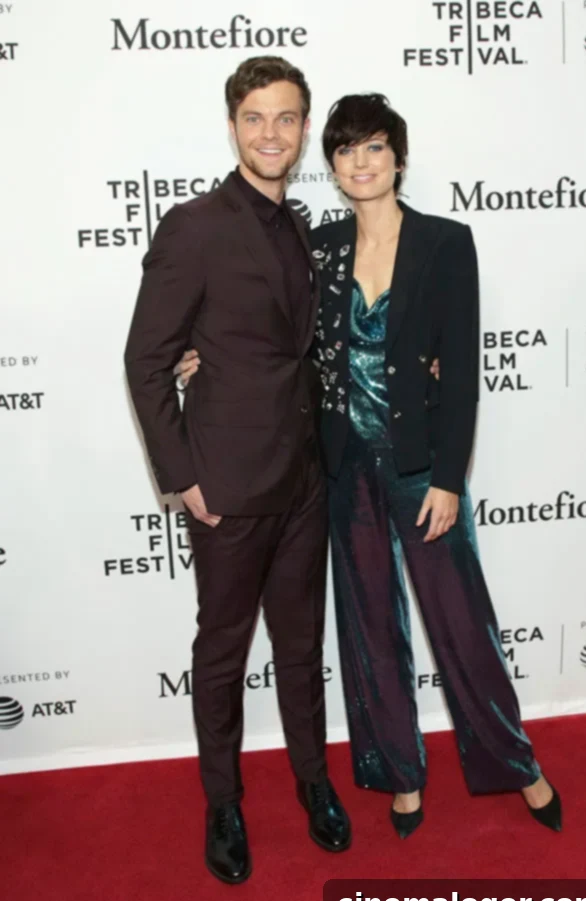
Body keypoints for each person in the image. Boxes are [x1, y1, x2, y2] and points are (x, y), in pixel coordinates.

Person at [175, 92, 562, 840]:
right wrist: (200, 353)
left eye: (374, 147)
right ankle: (400, 773)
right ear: (332, 165)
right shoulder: (316, 245)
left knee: (462, 625)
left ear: (399, 158)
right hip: (342, 469)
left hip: (420, 470)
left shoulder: (446, 243)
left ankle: (518, 764)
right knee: (370, 629)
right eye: (346, 150)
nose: (361, 162)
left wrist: (448, 477)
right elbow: (262, 321)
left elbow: (463, 369)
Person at [123, 57, 352, 886]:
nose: (271, 133)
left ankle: (313, 780)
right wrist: (184, 477)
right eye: (255, 117)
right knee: (222, 653)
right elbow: (145, 360)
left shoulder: (300, 227)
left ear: (304, 130)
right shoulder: (194, 226)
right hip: (225, 486)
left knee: (301, 646)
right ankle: (223, 802)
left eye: (286, 118)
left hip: (302, 482)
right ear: (232, 126)